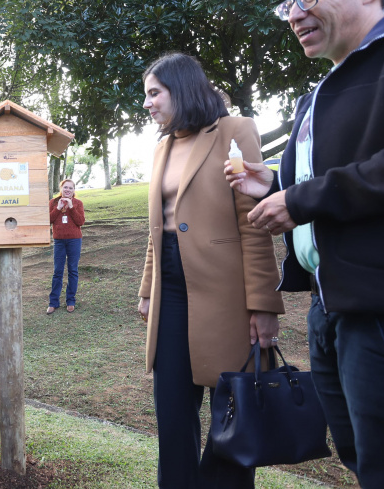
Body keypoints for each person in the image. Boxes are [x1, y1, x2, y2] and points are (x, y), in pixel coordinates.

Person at [226, 0, 384, 486]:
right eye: (289, 3)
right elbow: (338, 173)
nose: (294, 15)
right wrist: (275, 181)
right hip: (333, 310)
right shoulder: (320, 91)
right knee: (366, 461)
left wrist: (302, 198)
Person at [137, 52, 284, 488]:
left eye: (154, 93)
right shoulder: (162, 146)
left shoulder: (235, 131)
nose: (147, 103)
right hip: (171, 296)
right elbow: (156, 228)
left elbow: (253, 223)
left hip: (226, 298)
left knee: (232, 418)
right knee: (173, 415)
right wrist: (148, 289)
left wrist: (262, 304)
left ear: (180, 88)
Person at [47, 179, 85, 313]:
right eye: (65, 187)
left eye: (71, 188)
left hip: (74, 240)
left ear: (74, 190)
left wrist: (71, 207)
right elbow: (48, 220)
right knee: (57, 271)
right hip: (59, 241)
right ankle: (53, 302)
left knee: (72, 270)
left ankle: (70, 300)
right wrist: (57, 209)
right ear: (61, 188)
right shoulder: (53, 202)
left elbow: (80, 221)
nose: (68, 190)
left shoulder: (77, 203)